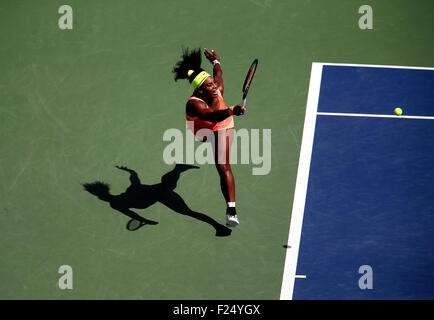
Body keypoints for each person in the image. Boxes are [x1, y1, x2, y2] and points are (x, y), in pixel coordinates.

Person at [172, 47, 246, 227]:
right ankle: (207, 140)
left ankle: (231, 210)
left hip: (222, 126)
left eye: (213, 83)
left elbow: (218, 73)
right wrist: (231, 110)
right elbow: (211, 116)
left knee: (222, 165)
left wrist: (216, 61)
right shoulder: (194, 105)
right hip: (200, 126)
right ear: (199, 90)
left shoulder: (216, 87)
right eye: (209, 86)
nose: (214, 87)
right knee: (205, 136)